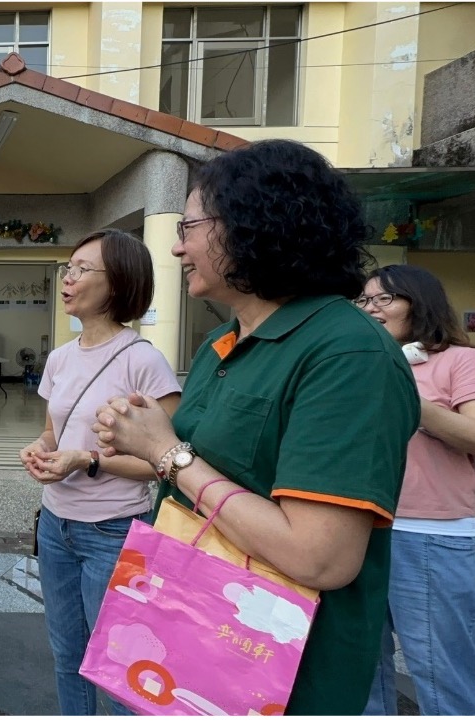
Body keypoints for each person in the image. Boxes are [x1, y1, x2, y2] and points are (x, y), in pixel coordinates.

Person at [91, 139, 419, 715]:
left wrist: (169, 454)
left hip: (276, 676)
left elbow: (319, 557)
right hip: (191, 643)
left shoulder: (348, 353)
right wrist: (142, 439)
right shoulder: (223, 343)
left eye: (190, 227)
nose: (177, 247)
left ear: (252, 225)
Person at [20, 229, 181, 715]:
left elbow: (166, 463)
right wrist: (41, 450)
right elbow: (52, 432)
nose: (67, 279)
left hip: (114, 533)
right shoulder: (59, 358)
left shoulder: (144, 361)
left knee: (119, 667)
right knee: (66, 655)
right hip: (55, 527)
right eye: (67, 268)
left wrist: (88, 461)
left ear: (119, 282)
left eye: (82, 269)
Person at [358, 265, 475, 716]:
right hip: (358, 531)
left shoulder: (462, 361)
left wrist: (409, 398)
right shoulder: (359, 362)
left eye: (384, 299)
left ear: (419, 304)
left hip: (432, 537)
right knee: (362, 672)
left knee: (446, 678)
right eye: (364, 300)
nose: (370, 308)